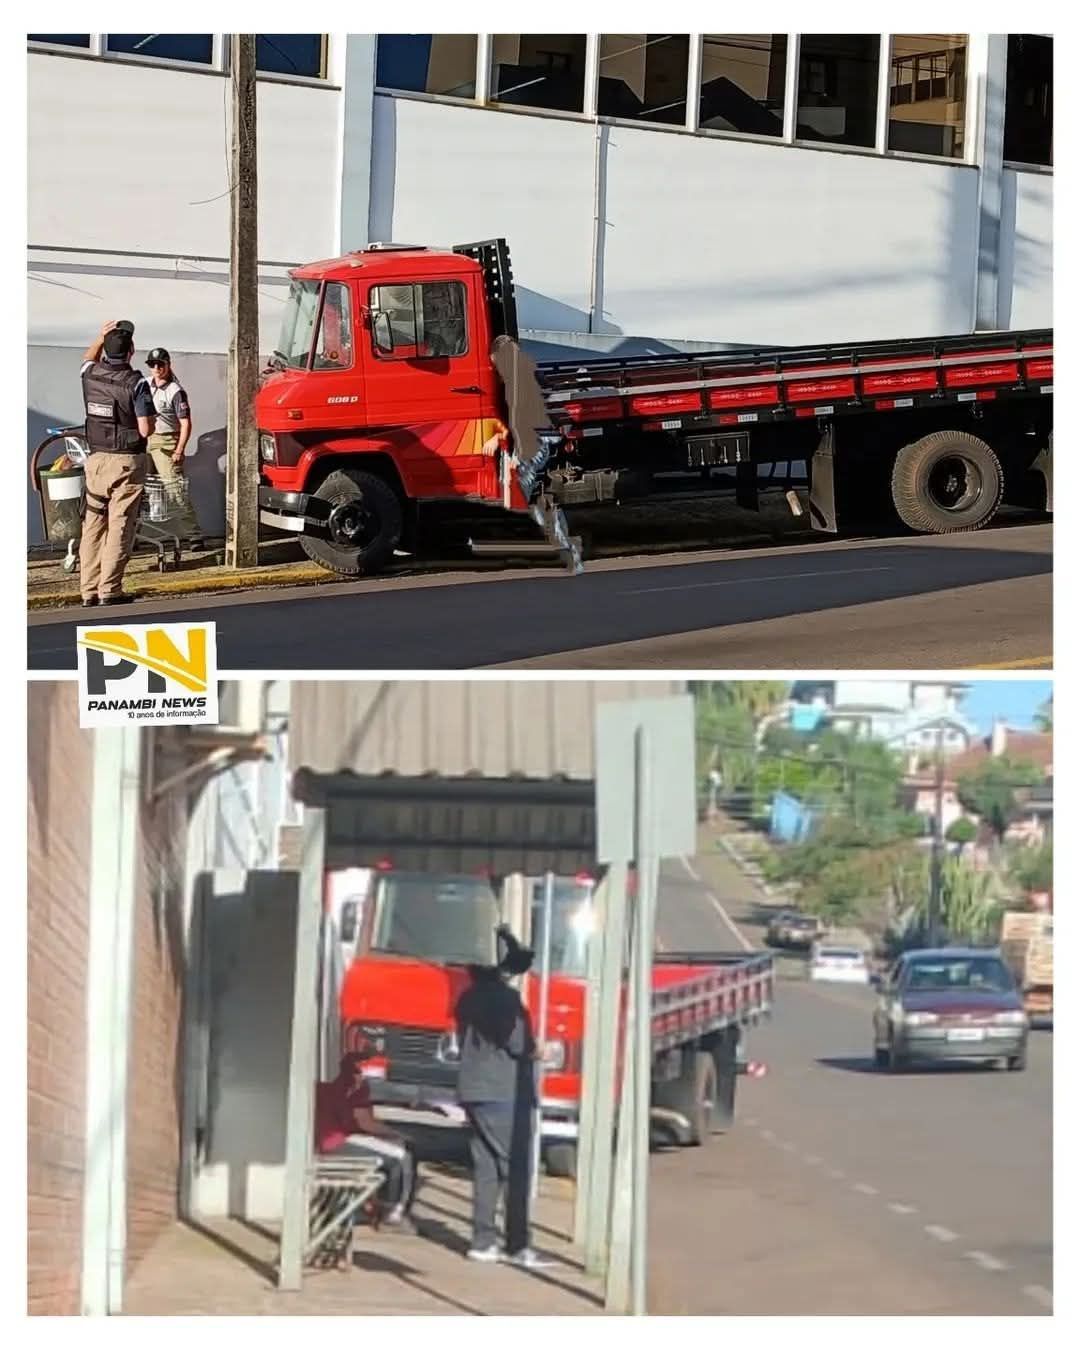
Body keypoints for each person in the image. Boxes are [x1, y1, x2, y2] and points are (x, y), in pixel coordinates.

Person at [455, 926, 548, 1267]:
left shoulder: (467, 997)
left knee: (486, 1168)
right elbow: (519, 1045)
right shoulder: (507, 1001)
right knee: (516, 1168)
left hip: (472, 1089)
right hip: (503, 1091)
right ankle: (518, 1244)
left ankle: (482, 1241)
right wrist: (539, 1053)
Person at [78, 319, 156, 606]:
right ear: (131, 351)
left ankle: (88, 590)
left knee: (93, 525)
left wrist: (100, 336)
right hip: (126, 462)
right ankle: (109, 590)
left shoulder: (90, 374)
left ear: (105, 352)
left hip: (96, 460)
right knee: (120, 525)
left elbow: (87, 359)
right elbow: (146, 429)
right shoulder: (136, 383)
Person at [315, 1045, 417, 1230]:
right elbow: (365, 1123)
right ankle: (393, 1214)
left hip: (325, 1142)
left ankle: (378, 1207)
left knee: (390, 1151)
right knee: (401, 1156)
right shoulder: (353, 1087)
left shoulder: (325, 1085)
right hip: (337, 1142)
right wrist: (397, 1134)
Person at [145, 347, 203, 546]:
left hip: (167, 441)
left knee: (175, 489)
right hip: (146, 438)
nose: (156, 368)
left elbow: (186, 423)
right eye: (152, 365)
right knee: (138, 486)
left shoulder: (175, 391)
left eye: (160, 364)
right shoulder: (145, 385)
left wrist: (179, 450)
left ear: (168, 365)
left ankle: (194, 535)